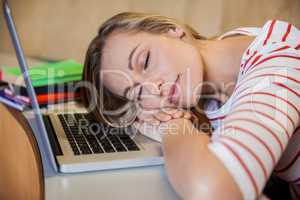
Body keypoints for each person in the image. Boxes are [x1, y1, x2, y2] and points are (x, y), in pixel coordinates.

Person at [81, 12, 300, 199]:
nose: (154, 89)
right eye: (139, 93)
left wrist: (172, 126)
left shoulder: (280, 63)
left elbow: (213, 192)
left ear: (172, 30)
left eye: (145, 61)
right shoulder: (219, 61)